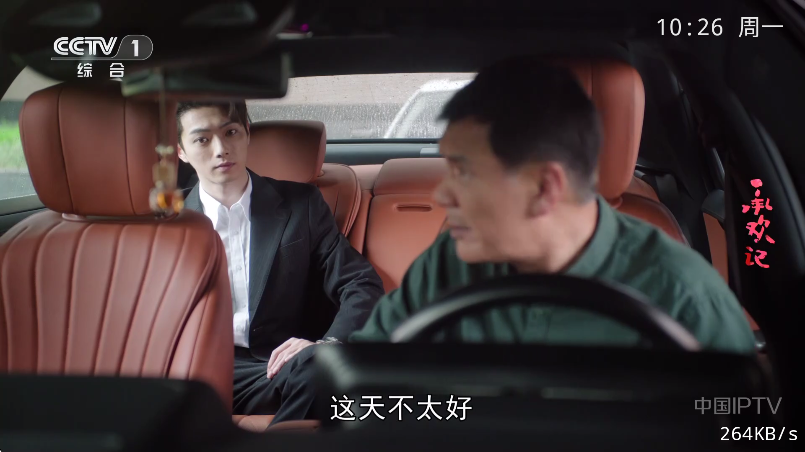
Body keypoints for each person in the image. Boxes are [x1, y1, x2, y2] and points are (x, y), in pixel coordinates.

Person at [349, 57, 756, 353]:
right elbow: (366, 377)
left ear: (545, 188)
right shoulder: (446, 265)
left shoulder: (688, 302)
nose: (441, 195)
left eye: (464, 173)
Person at [177, 101, 384, 424]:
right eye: (202, 139)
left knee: (325, 370)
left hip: (273, 369)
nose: (221, 149)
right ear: (181, 151)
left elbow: (360, 283)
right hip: (185, 369)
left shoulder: (302, 205)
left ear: (247, 133)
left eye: (230, 133)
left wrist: (327, 344)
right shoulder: (162, 219)